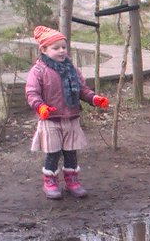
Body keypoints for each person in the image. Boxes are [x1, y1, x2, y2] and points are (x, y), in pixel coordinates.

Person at [24, 26, 109, 199]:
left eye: (64, 47)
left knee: (71, 151)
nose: (61, 51)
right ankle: (50, 182)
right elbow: (31, 93)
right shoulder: (38, 71)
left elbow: (82, 90)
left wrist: (94, 99)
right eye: (56, 48)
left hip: (71, 117)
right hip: (51, 119)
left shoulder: (72, 69)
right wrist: (40, 107)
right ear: (44, 50)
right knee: (53, 152)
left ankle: (72, 182)